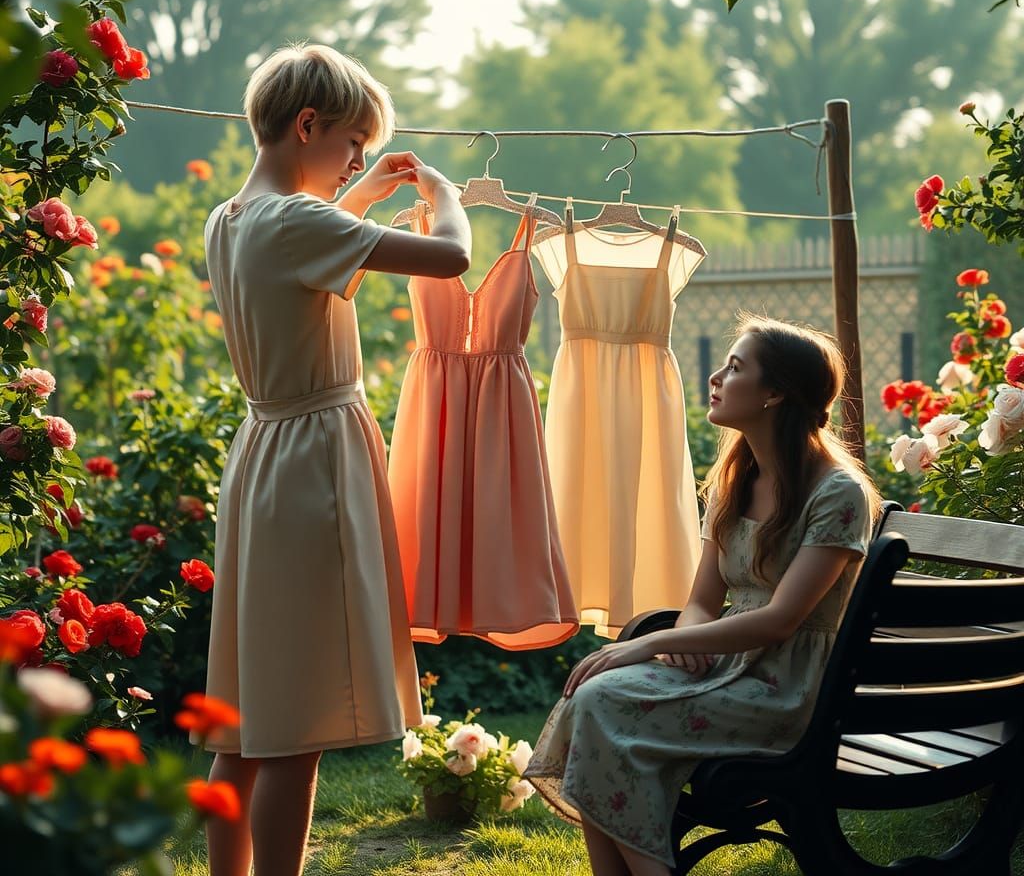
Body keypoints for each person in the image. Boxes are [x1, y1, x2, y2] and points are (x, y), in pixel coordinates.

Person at [199, 43, 472, 876]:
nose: (356, 157)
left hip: (264, 457)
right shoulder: (297, 223)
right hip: (312, 463)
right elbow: (451, 259)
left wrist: (362, 190)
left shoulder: (231, 217)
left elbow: (305, 244)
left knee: (248, 715)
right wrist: (443, 195)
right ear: (306, 124)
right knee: (297, 724)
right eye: (351, 141)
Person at [524, 314, 882, 876]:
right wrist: (686, 637)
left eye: (736, 367)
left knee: (603, 704)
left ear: (775, 393)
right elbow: (702, 599)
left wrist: (650, 644)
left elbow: (781, 620)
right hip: (727, 665)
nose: (716, 376)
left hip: (789, 688)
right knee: (595, 696)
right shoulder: (735, 480)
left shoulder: (837, 492)